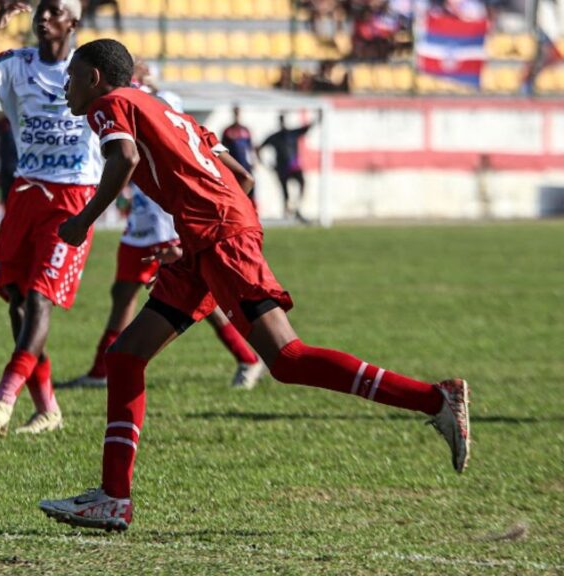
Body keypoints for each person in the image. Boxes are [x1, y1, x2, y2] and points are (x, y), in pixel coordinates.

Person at [38, 39, 470, 531]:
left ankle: (435, 399)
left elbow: (124, 159)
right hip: (211, 237)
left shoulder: (111, 104)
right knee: (125, 356)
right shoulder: (166, 109)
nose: (66, 86)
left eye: (72, 76)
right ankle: (113, 498)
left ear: (94, 77)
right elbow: (240, 177)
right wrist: (196, 239)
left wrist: (84, 221)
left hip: (218, 237)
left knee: (286, 358)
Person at [62, 92, 265, 391]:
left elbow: (236, 176)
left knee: (199, 303)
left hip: (171, 226)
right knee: (123, 293)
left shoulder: (168, 113)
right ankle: (100, 370)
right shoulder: (125, 108)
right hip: (140, 225)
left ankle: (247, 357)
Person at [0, 0, 104, 435]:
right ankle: (47, 407)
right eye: (40, 11)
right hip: (26, 191)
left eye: (53, 11)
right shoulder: (17, 64)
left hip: (73, 195)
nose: (42, 18)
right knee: (15, 299)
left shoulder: (93, 70)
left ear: (73, 21)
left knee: (38, 298)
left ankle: (3, 400)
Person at [257, 114, 313, 222]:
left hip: (294, 166)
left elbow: (308, 127)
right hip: (282, 168)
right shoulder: (275, 137)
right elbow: (259, 148)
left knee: (302, 184)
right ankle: (287, 213)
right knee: (285, 191)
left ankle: (297, 208)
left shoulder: (293, 133)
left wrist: (317, 116)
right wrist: (266, 164)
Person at [220, 106, 257, 207]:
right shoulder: (227, 131)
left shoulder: (245, 130)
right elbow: (222, 149)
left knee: (251, 186)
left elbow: (250, 147)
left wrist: (254, 161)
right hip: (235, 166)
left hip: (246, 165)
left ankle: (252, 210)